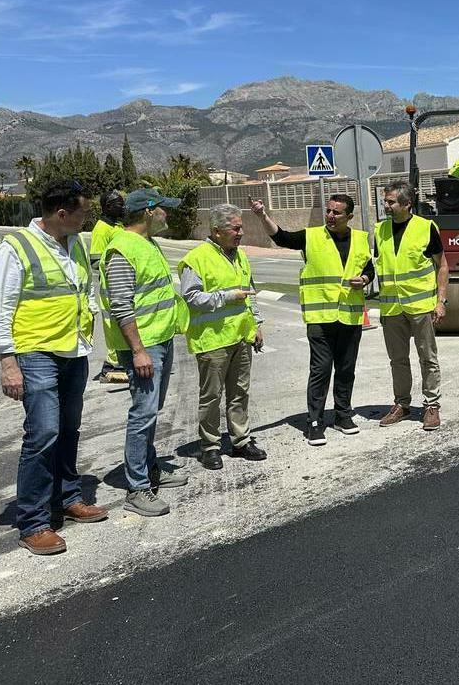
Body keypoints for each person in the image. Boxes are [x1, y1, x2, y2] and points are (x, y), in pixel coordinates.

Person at [0, 180, 108, 556]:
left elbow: (83, 292)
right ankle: (33, 522)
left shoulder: (76, 244)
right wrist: (8, 362)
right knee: (44, 433)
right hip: (35, 353)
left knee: (68, 429)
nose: (88, 218)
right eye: (84, 212)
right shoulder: (15, 247)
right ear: (62, 213)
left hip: (73, 351)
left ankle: (68, 498)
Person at [249, 193, 374, 445]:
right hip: (320, 317)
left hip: (349, 315)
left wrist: (365, 280)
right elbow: (281, 237)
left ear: (349, 216)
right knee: (321, 369)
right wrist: (262, 215)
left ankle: (343, 415)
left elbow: (368, 268)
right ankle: (315, 422)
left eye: (336, 212)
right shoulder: (312, 236)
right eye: (328, 210)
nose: (330, 215)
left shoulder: (360, 239)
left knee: (346, 369)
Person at [101, 188, 190, 517]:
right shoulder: (122, 249)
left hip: (160, 338)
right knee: (143, 414)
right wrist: (138, 351)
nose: (168, 215)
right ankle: (137, 488)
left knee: (152, 410)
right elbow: (121, 306)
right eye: (164, 210)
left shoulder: (145, 243)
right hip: (143, 345)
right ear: (149, 211)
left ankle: (151, 468)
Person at [178, 203, 267, 469]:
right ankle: (210, 446)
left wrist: (257, 325)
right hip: (212, 340)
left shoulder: (240, 256)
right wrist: (227, 297)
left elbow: (249, 293)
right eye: (235, 228)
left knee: (240, 392)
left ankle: (240, 441)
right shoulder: (196, 259)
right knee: (211, 397)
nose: (240, 233)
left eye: (241, 228)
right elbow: (191, 297)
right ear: (217, 231)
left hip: (241, 336)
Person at [376, 182, 449, 431]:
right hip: (391, 308)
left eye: (391, 202)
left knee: (428, 358)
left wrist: (441, 301)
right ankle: (402, 405)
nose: (386, 206)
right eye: (385, 201)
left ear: (407, 204)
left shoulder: (426, 228)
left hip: (421, 306)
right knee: (397, 360)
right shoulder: (379, 230)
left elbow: (442, 266)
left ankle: (431, 405)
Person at [89, 190, 128, 384]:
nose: (122, 206)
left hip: (124, 284)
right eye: (118, 204)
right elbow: (95, 261)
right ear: (107, 207)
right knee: (113, 326)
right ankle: (112, 365)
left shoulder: (119, 226)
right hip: (111, 285)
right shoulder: (102, 228)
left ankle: (121, 361)